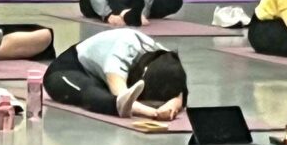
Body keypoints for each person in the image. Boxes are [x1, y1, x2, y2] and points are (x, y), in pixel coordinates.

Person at [42, 29, 189, 122]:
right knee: (91, 92)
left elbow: (180, 89)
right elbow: (123, 98)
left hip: (101, 75)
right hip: (70, 69)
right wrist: (153, 112)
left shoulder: (166, 58)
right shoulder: (121, 53)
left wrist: (174, 103)